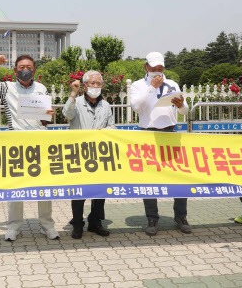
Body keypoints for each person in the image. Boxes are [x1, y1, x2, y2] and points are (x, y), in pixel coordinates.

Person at [0, 54, 57, 241]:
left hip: (40, 141)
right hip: (16, 142)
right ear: (15, 71)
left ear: (34, 71)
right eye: (22, 67)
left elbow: (45, 118)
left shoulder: (41, 88)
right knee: (15, 187)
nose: (26, 70)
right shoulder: (6, 88)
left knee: (44, 185)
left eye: (29, 67)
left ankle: (47, 225)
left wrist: (49, 114)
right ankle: (14, 226)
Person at [129, 51, 190, 236]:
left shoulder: (171, 84)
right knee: (149, 178)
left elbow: (185, 111)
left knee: (179, 176)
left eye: (161, 68)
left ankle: (180, 216)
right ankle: (152, 218)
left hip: (171, 133)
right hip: (148, 134)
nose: (157, 71)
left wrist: (180, 105)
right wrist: (152, 88)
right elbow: (137, 107)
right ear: (145, 67)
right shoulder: (138, 85)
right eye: (154, 68)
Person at [64, 70, 115, 239]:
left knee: (99, 191)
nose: (95, 86)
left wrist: (105, 131)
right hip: (79, 153)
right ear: (85, 85)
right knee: (79, 191)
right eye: (92, 83)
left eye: (98, 83)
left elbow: (112, 127)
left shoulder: (106, 105)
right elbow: (67, 114)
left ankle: (95, 222)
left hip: (100, 154)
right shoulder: (76, 102)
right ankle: (78, 224)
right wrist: (73, 93)